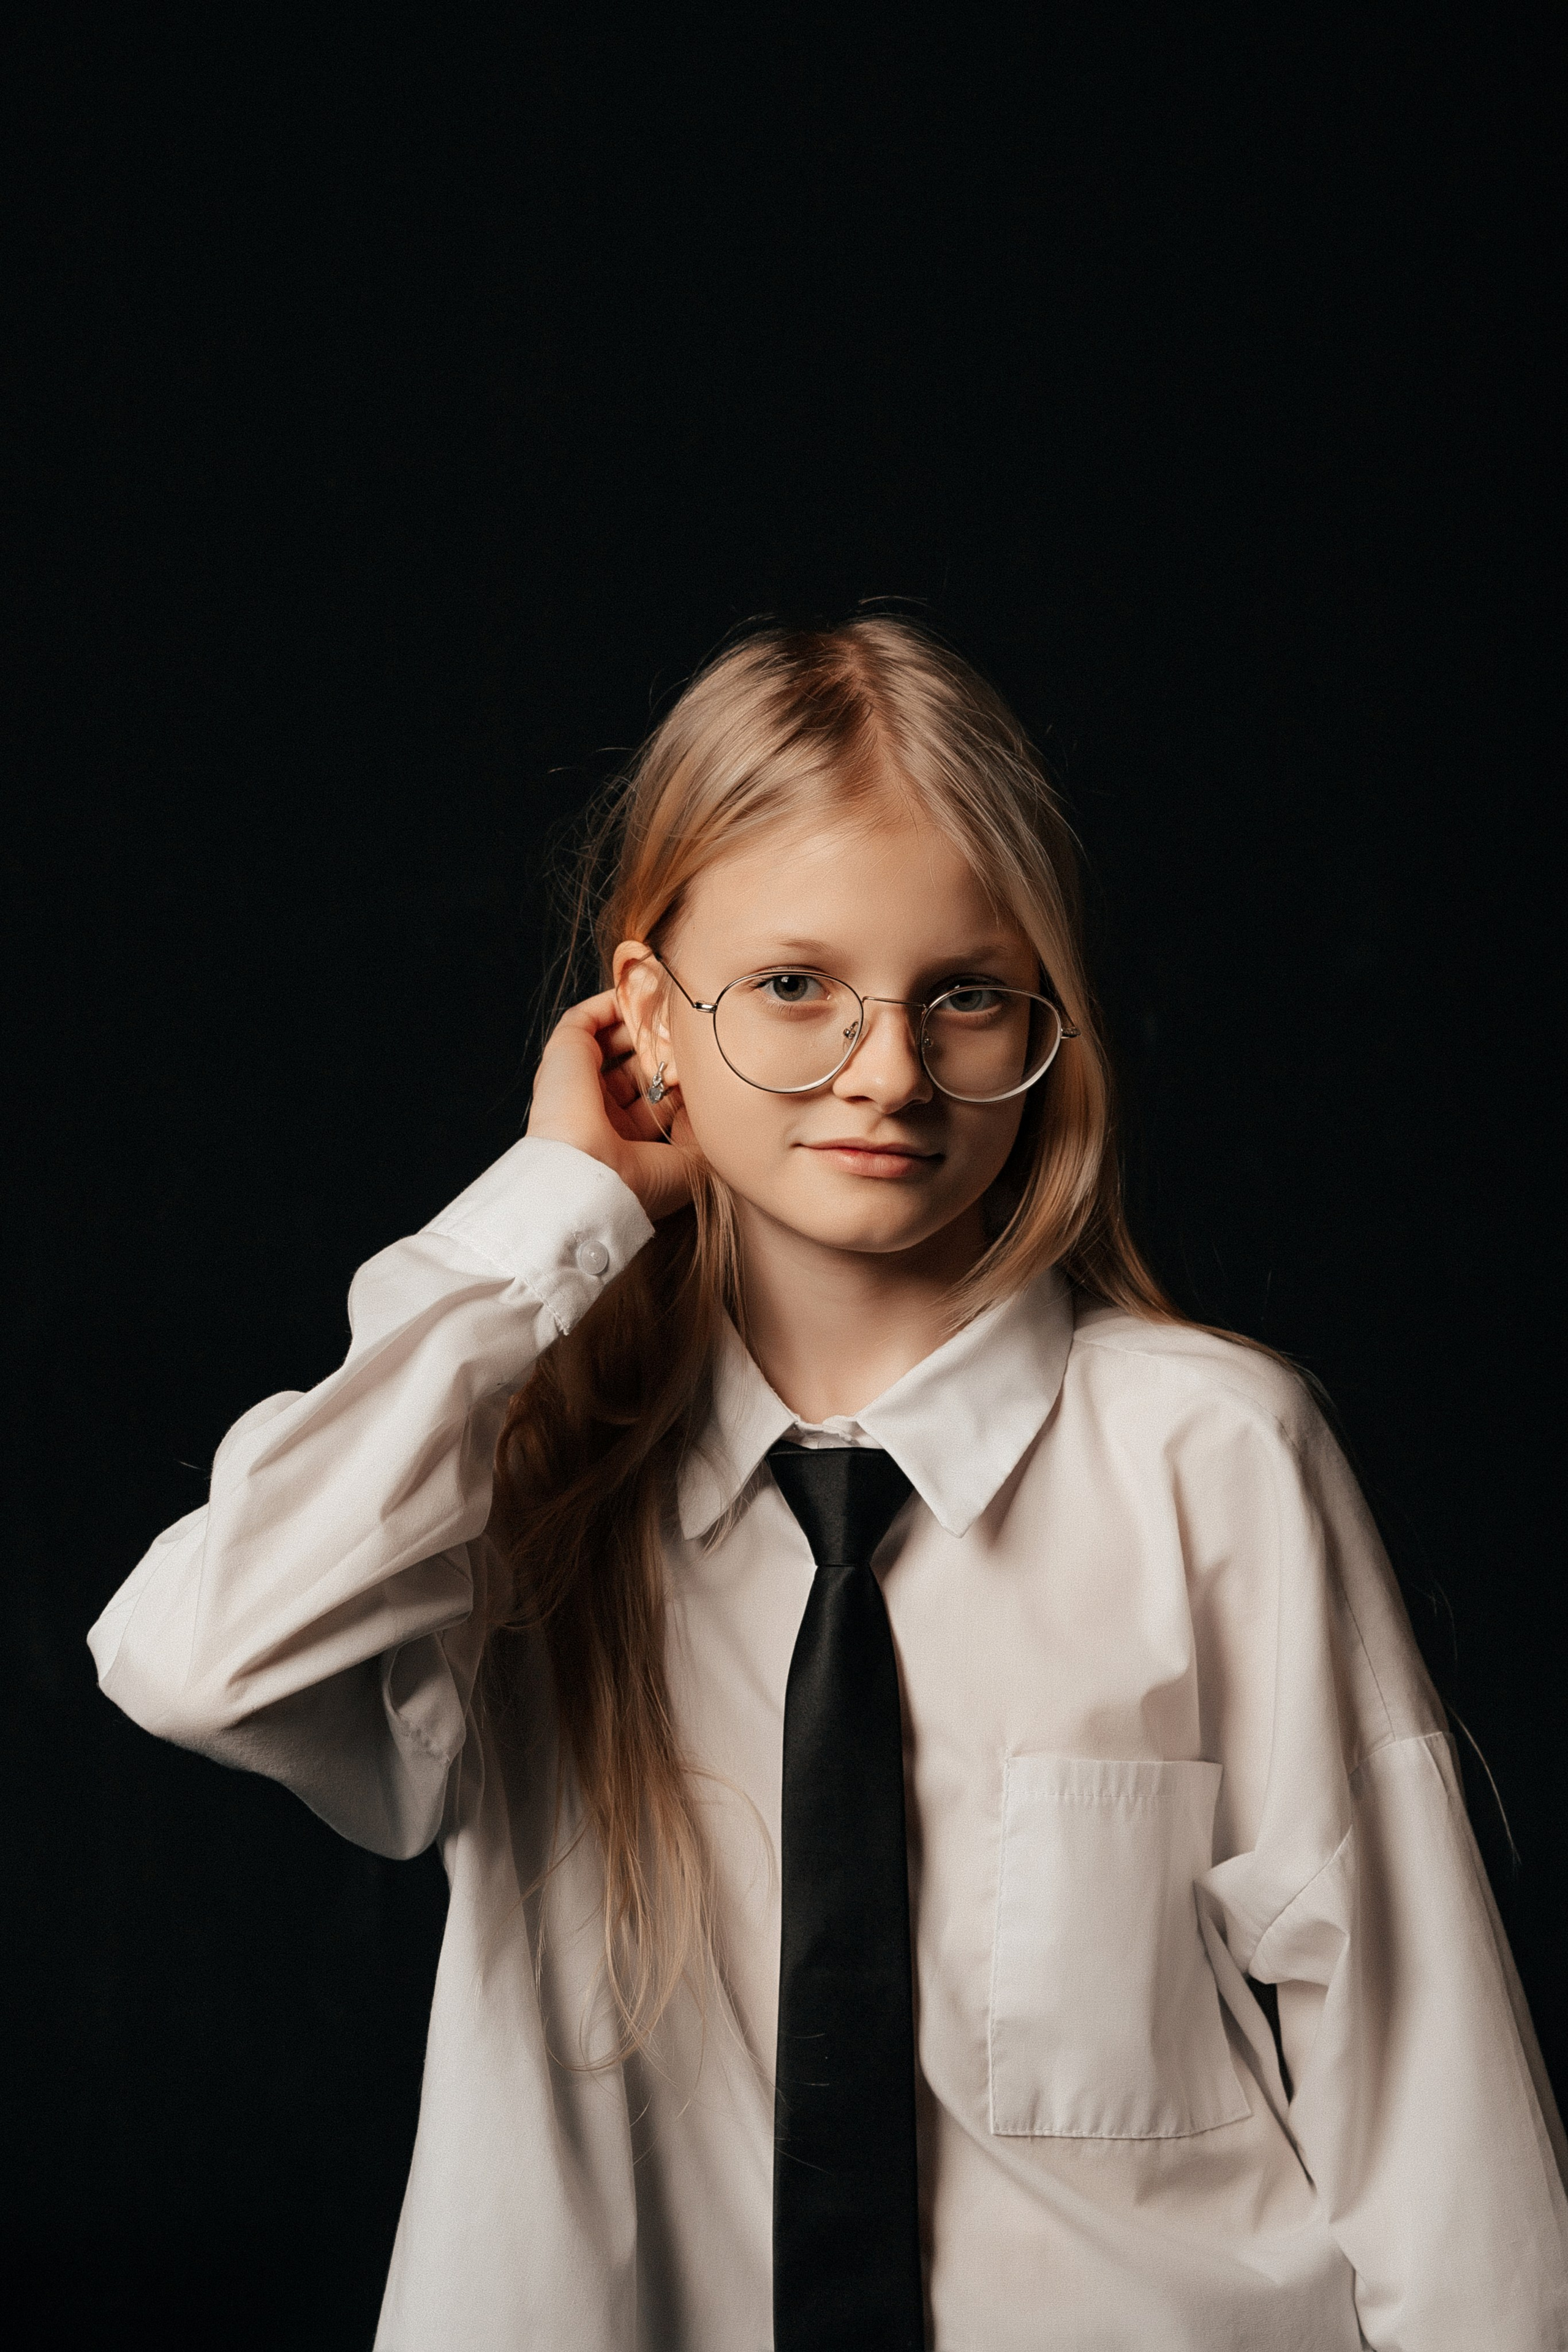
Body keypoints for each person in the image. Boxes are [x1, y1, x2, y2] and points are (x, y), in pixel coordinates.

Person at [89, 619, 1565, 2350]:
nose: (887, 1071)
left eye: (965, 992)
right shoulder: (520, 1470)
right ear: (647, 1016)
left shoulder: (1209, 1455)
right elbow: (201, 1660)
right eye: (794, 985)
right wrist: (558, 1211)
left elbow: (1433, 2112)